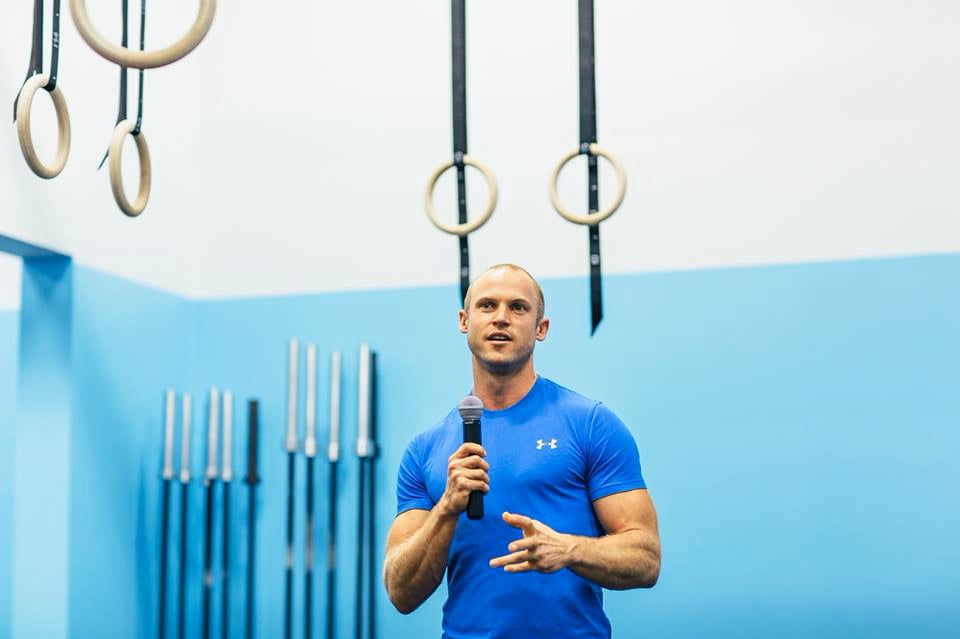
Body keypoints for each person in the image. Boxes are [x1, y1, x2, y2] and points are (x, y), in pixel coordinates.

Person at [383, 264, 660, 638]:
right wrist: (446, 508)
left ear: (541, 328)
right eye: (487, 305)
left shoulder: (591, 424)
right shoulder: (425, 450)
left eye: (517, 307)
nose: (501, 317)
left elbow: (646, 558)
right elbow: (401, 592)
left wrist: (569, 550)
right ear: (464, 321)